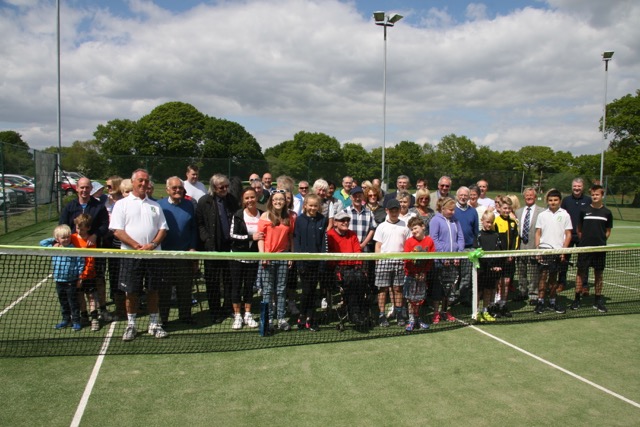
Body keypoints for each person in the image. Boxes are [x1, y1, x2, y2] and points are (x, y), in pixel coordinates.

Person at [110, 169, 168, 341]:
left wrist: (152, 245)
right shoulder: (122, 204)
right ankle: (131, 325)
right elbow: (117, 230)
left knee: (153, 291)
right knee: (131, 292)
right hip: (130, 257)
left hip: (153, 257)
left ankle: (154, 324)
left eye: (146, 181)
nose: (144, 183)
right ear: (133, 182)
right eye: (140, 180)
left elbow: (163, 229)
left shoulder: (155, 205)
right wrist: (136, 246)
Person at [58, 176, 110, 324]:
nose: (84, 190)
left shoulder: (99, 206)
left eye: (87, 187)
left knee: (98, 281)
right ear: (77, 188)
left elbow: (105, 225)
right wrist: (59, 242)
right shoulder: (70, 206)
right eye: (82, 187)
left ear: (91, 189)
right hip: (74, 254)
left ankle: (102, 310)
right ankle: (81, 314)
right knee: (77, 284)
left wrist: (95, 235)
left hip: (95, 251)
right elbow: (62, 225)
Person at [196, 174, 239, 323]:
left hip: (229, 247)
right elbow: (200, 224)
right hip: (212, 248)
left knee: (229, 280)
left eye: (227, 186)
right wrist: (207, 240)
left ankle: (228, 308)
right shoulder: (204, 201)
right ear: (214, 187)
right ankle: (215, 311)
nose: (225, 189)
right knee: (212, 282)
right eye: (222, 187)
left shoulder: (232, 200)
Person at [158, 177, 198, 325]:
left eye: (180, 188)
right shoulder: (159, 205)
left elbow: (193, 228)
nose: (177, 190)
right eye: (174, 188)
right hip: (164, 256)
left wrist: (192, 247)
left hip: (184, 255)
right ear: (167, 189)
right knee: (164, 290)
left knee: (185, 288)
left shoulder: (189, 205)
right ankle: (163, 319)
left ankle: (185, 316)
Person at [257, 190, 295, 331]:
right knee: (267, 290)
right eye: (275, 199)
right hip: (268, 258)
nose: (278, 202)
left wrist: (291, 255)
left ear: (285, 202)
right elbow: (260, 238)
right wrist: (263, 256)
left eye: (281, 199)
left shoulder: (289, 217)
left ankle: (281, 319)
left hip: (283, 256)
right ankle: (268, 319)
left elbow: (291, 237)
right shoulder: (265, 217)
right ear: (271, 202)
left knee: (281, 290)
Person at [571, 185, 613, 313]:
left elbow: (608, 231)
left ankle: (598, 300)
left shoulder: (607, 212)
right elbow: (579, 229)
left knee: (598, 274)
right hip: (585, 249)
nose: (595, 196)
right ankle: (577, 299)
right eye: (593, 194)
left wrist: (601, 241)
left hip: (599, 249)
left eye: (597, 194)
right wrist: (584, 242)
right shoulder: (584, 210)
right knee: (580, 273)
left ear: (602, 196)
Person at [373, 199, 411, 327]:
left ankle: (399, 313)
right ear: (386, 211)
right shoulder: (381, 226)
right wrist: (378, 261)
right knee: (382, 289)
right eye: (391, 210)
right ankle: (381, 315)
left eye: (396, 210)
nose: (394, 212)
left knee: (398, 289)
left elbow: (407, 244)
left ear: (399, 210)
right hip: (384, 262)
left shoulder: (405, 225)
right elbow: (378, 245)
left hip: (399, 262)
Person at [229, 187, 263, 329]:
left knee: (249, 287)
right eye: (247, 198)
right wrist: (250, 237)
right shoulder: (237, 215)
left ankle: (248, 314)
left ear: (257, 198)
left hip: (253, 258)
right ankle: (237, 316)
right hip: (237, 257)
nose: (250, 200)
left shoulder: (262, 215)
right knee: (236, 286)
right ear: (243, 200)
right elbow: (232, 235)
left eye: (252, 197)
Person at [534, 189, 572, 315]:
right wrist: (538, 250)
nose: (553, 202)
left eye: (555, 200)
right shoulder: (542, 215)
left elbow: (568, 234)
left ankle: (552, 301)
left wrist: (563, 251)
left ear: (559, 201)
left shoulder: (565, 215)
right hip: (544, 252)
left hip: (557, 252)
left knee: (553, 278)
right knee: (542, 277)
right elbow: (538, 233)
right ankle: (540, 301)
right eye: (550, 200)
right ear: (547, 201)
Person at [327, 211, 368, 326]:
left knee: (360, 279)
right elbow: (329, 256)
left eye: (347, 220)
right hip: (338, 269)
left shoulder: (352, 234)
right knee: (350, 282)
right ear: (335, 223)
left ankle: (361, 311)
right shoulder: (329, 235)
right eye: (342, 220)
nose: (345, 222)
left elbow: (357, 251)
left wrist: (358, 265)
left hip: (353, 268)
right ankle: (353, 313)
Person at [293, 194, 328, 331]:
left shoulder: (322, 220)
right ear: (305, 205)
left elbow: (323, 243)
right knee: (306, 291)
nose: (313, 208)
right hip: (304, 263)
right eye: (310, 205)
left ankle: (310, 317)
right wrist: (299, 262)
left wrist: (322, 262)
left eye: (315, 205)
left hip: (317, 263)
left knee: (313, 291)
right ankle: (303, 315)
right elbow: (297, 241)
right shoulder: (299, 220)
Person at [40, 224, 84, 331]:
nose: (66, 239)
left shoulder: (74, 249)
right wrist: (54, 240)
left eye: (68, 237)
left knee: (73, 302)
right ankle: (66, 320)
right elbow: (42, 243)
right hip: (59, 281)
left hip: (71, 281)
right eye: (63, 237)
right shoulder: (54, 248)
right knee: (63, 302)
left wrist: (80, 278)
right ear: (57, 239)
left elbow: (80, 263)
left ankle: (76, 321)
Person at [429, 197, 464, 324]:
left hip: (453, 261)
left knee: (449, 289)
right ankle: (436, 312)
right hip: (439, 262)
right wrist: (443, 257)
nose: (453, 212)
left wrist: (458, 255)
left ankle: (445, 311)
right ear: (443, 209)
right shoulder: (435, 220)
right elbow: (434, 239)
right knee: (438, 289)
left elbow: (460, 238)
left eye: (454, 210)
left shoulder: (455, 221)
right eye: (450, 210)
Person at [403, 216, 435, 331]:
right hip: (411, 275)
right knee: (411, 299)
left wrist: (423, 272)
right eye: (412, 229)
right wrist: (415, 273)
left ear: (423, 227)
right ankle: (411, 320)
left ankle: (418, 318)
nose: (414, 231)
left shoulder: (429, 241)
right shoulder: (409, 242)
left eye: (415, 228)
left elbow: (431, 259)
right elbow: (406, 260)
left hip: (422, 276)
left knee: (419, 299)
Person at [560, 178, 592, 294]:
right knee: (563, 260)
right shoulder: (566, 200)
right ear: (572, 187)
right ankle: (561, 283)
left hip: (582, 236)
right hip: (568, 235)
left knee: (583, 262)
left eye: (579, 186)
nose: (576, 188)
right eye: (575, 186)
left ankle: (584, 285)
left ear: (582, 187)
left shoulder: (588, 200)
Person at [70, 214, 101, 331]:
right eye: (78, 228)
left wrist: (83, 276)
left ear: (88, 228)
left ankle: (94, 318)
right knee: (80, 296)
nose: (79, 231)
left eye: (82, 229)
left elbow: (90, 261)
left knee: (91, 296)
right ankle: (84, 316)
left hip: (88, 275)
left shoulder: (91, 241)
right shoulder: (72, 238)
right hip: (75, 274)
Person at [515, 187, 544, 304]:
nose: (529, 197)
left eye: (531, 195)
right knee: (521, 271)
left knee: (534, 272)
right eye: (527, 195)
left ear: (535, 197)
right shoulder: (518, 212)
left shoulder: (542, 211)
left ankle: (533, 294)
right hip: (521, 246)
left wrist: (539, 248)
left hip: (534, 245)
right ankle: (522, 291)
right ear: (524, 197)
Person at [492, 196, 519, 318]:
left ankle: (503, 305)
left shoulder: (513, 223)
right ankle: (495, 305)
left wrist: (511, 253)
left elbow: (516, 239)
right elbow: (495, 241)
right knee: (498, 283)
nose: (507, 210)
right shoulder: (496, 222)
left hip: (510, 259)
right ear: (500, 208)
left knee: (507, 282)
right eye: (504, 208)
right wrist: (501, 255)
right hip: (499, 258)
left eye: (509, 208)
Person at [474, 211, 501, 322]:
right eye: (487, 222)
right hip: (481, 269)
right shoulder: (478, 235)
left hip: (492, 270)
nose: (489, 224)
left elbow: (498, 251)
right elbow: (478, 251)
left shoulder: (496, 235)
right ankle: (476, 312)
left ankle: (485, 311)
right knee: (479, 291)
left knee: (488, 291)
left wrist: (496, 265)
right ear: (482, 221)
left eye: (491, 222)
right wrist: (487, 265)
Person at [454, 186, 478, 307]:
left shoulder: (473, 211)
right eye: (461, 195)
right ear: (457, 196)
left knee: (466, 275)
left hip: (469, 247)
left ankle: (464, 297)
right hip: (454, 248)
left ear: (469, 197)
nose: (463, 197)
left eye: (465, 195)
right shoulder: (452, 210)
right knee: (454, 274)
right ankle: (452, 297)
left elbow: (475, 231)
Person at [343, 186, 377, 252]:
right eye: (355, 196)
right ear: (350, 197)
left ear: (363, 197)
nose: (357, 198)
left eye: (359, 196)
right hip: (348, 247)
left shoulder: (369, 212)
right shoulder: (345, 212)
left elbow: (372, 229)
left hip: (363, 248)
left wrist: (364, 244)